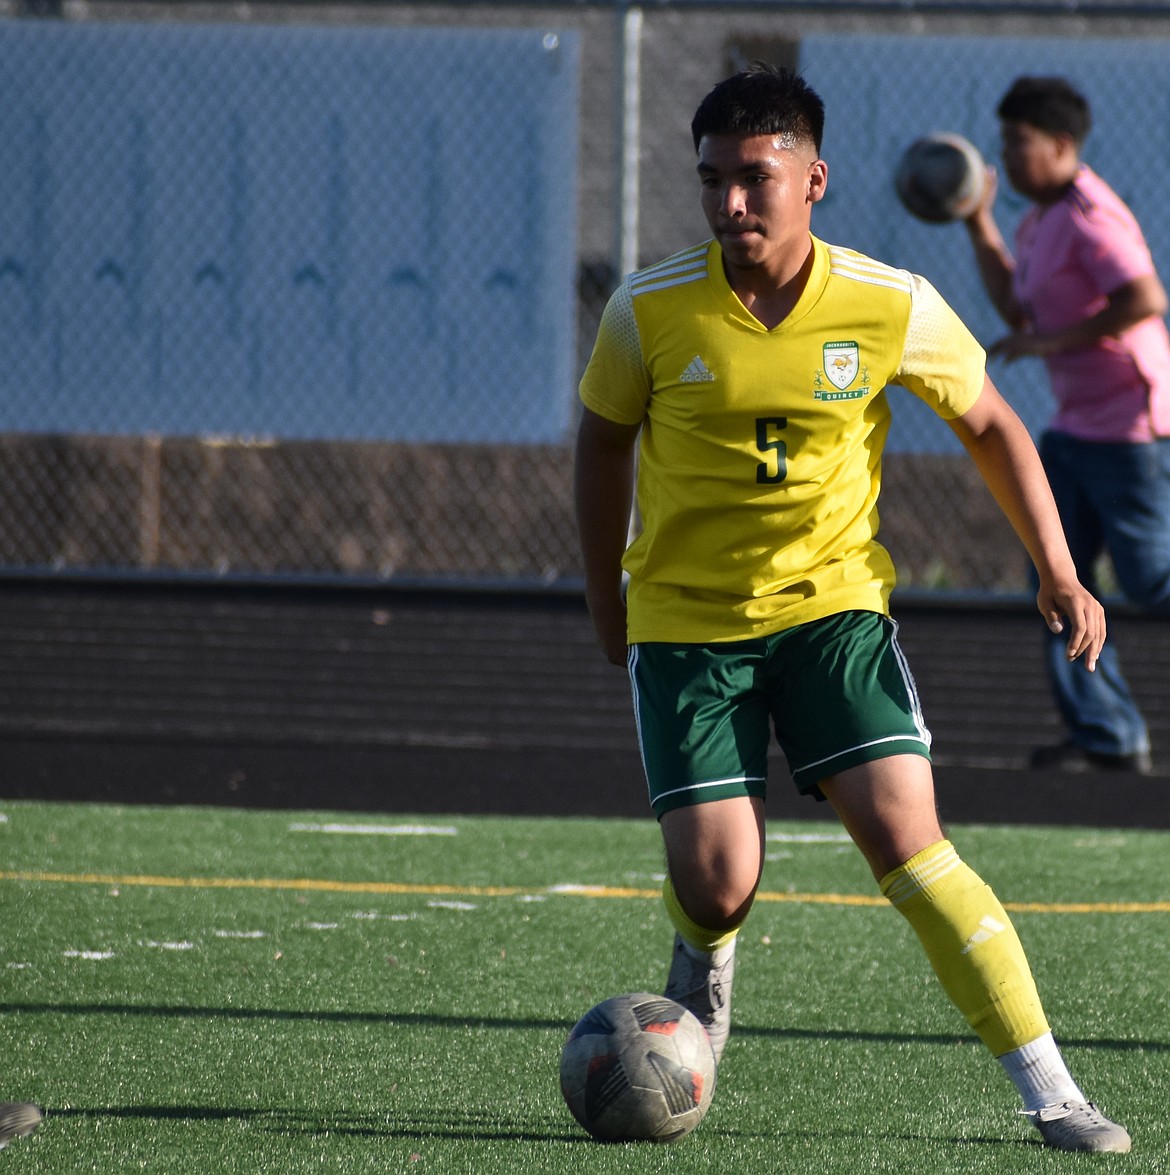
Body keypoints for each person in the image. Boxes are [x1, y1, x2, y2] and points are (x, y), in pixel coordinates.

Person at [574, 63, 1130, 1153]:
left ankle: (1052, 1088)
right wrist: (610, 598)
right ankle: (706, 957)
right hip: (688, 623)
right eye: (712, 183)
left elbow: (994, 427)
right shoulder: (647, 310)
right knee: (718, 877)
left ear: (813, 177)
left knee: (909, 842)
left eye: (755, 177)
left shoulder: (889, 301)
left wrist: (1059, 568)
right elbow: (600, 444)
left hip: (834, 613)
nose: (732, 203)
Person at [962, 75, 1170, 775]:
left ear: (1061, 145)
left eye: (1019, 144)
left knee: (1151, 582)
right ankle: (1109, 736)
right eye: (1005, 143)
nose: (1009, 157)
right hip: (1076, 428)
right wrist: (976, 219)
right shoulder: (1037, 219)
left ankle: (1109, 730)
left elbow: (1145, 297)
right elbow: (1020, 312)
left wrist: (1051, 344)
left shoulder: (1090, 213)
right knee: (1058, 580)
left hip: (1129, 428)